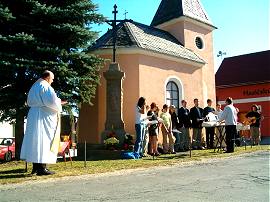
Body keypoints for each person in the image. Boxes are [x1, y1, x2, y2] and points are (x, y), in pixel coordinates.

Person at [20, 70, 66, 175]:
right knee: (43, 141)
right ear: (47, 77)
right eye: (52, 79)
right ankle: (42, 168)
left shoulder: (34, 86)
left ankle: (35, 167)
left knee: (35, 141)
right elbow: (52, 101)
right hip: (43, 117)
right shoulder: (45, 86)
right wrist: (60, 102)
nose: (52, 81)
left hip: (34, 115)